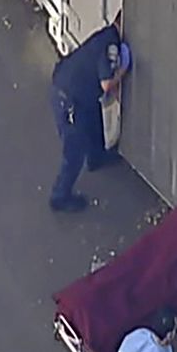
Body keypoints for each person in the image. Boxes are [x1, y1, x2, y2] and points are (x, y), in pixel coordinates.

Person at [48, 20, 130, 212]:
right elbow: (107, 84)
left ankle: (97, 157)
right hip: (69, 101)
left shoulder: (105, 35)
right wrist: (123, 71)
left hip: (73, 90)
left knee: (93, 120)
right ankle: (60, 196)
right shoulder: (111, 45)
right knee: (74, 150)